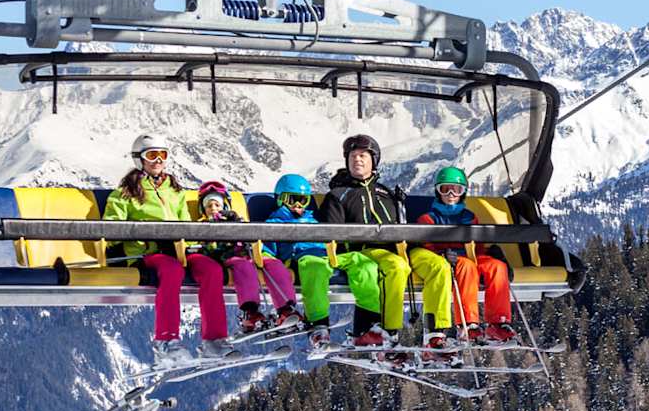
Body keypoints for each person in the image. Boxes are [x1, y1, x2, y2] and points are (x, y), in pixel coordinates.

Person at [320, 133, 454, 352]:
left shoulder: (387, 193)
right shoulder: (338, 195)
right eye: (353, 156)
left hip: (403, 247)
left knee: (439, 266)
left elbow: (403, 225)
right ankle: (388, 332)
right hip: (368, 250)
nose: (357, 160)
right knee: (396, 266)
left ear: (374, 160)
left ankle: (435, 334)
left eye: (363, 155)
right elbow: (334, 234)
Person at [103, 134, 230, 362]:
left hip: (178, 249)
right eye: (152, 155)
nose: (158, 160)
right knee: (172, 271)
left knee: (212, 270)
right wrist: (142, 234)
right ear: (139, 159)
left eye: (163, 155)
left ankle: (214, 339)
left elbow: (185, 225)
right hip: (149, 252)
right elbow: (112, 228)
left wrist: (191, 244)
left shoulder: (175, 190)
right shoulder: (126, 192)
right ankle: (166, 340)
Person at [413, 166, 515, 344]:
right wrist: (442, 255)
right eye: (445, 189)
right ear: (438, 192)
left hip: (470, 255)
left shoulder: (470, 217)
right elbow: (426, 249)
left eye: (457, 189)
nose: (451, 193)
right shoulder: (428, 219)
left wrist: (493, 255)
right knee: (467, 267)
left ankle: (498, 323)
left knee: (497, 267)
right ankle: (468, 324)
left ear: (463, 192)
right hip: (448, 259)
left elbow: (478, 246)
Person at [195, 181, 299, 334]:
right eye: (209, 206)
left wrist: (238, 224)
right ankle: (250, 312)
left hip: (248, 253)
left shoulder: (235, 220)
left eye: (217, 205)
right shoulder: (202, 225)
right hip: (229, 257)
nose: (213, 209)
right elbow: (205, 247)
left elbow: (250, 234)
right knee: (244, 267)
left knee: (274, 265)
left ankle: (285, 309)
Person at [261, 174, 333, 347]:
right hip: (297, 258)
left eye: (303, 200)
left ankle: (316, 322)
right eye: (292, 200)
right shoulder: (274, 223)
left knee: (317, 267)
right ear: (281, 200)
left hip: (322, 256)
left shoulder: (313, 222)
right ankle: (317, 322)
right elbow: (267, 250)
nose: (298, 206)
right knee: (313, 267)